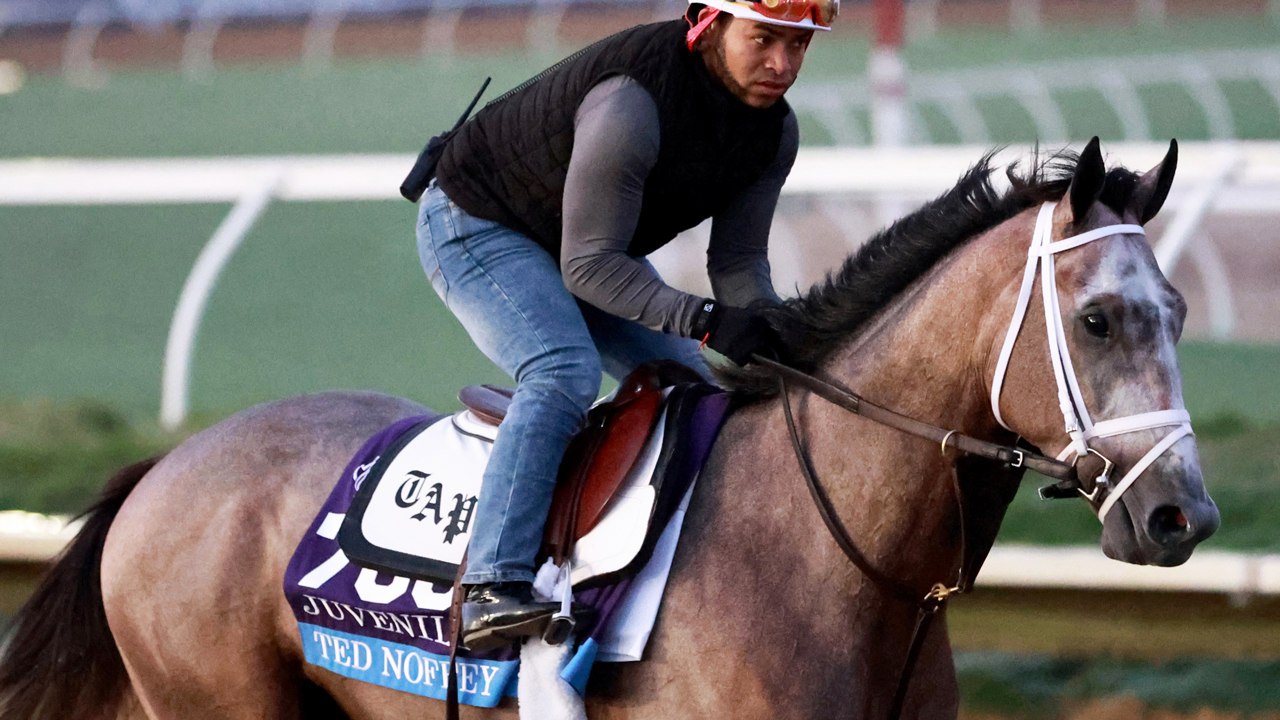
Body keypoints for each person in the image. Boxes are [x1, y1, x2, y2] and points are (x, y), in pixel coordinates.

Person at [415, 0, 835, 649]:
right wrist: (704, 319)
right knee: (562, 369)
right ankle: (490, 587)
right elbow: (590, 268)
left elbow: (740, 262)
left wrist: (773, 329)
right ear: (709, 25)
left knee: (699, 388)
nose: (783, 64)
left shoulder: (774, 132)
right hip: (478, 223)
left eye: (800, 46)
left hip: (585, 240)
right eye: (765, 39)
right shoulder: (630, 105)